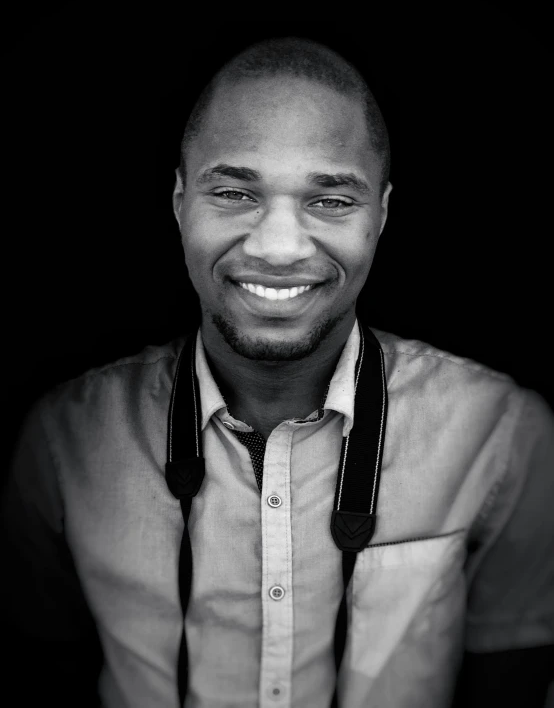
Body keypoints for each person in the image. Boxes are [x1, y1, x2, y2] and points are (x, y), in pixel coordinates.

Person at [2, 37, 553, 708]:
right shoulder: (64, 441)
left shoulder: (500, 433)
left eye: (331, 201)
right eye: (234, 191)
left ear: (382, 211)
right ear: (180, 201)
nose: (279, 247)